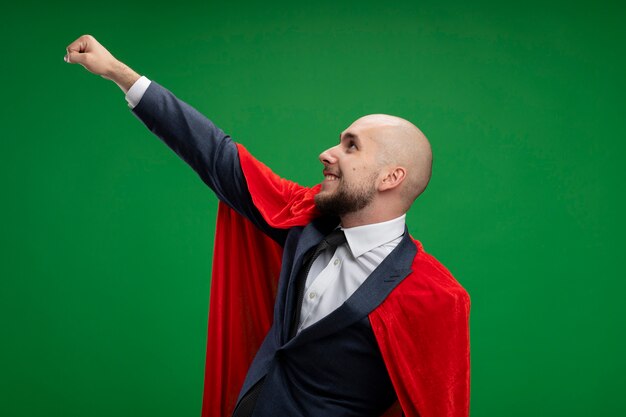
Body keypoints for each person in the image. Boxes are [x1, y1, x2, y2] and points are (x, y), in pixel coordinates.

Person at [65, 35, 470, 417]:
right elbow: (218, 156)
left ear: (390, 178)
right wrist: (119, 73)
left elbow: (434, 404)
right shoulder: (302, 217)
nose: (327, 153)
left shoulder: (434, 296)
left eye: (351, 146)